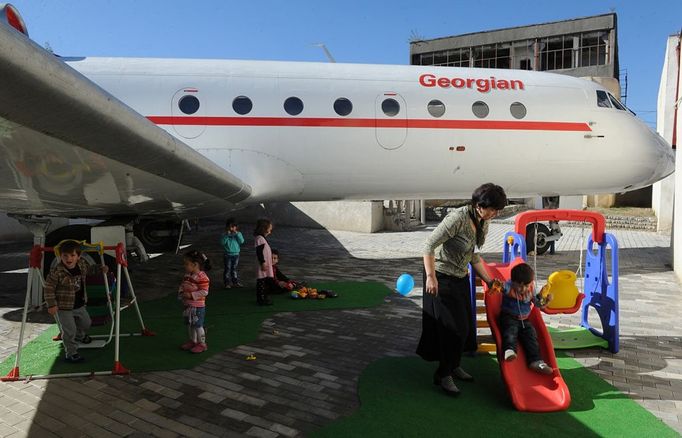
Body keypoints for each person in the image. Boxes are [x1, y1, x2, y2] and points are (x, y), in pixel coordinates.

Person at [416, 183, 507, 396]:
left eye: (498, 210)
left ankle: (454, 365)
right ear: (479, 205)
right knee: (453, 330)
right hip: (440, 278)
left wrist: (489, 280)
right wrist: (430, 277)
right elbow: (428, 245)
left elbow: (472, 255)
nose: (495, 213)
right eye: (493, 208)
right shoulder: (457, 218)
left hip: (460, 277)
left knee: (466, 329)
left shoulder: (482, 220)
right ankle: (443, 374)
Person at [44, 239, 108, 363]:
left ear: (78, 256)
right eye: (65, 256)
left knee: (86, 323)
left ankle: (80, 335)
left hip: (79, 304)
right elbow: (48, 288)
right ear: (60, 256)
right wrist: (51, 304)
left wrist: (101, 269)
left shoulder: (82, 265)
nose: (69, 258)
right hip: (64, 307)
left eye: (72, 255)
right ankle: (71, 353)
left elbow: (90, 269)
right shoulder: (57, 271)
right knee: (69, 331)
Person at [500, 263, 554, 375]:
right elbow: (500, 287)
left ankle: (535, 361)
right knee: (510, 331)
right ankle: (509, 350)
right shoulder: (508, 286)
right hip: (509, 316)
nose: (522, 289)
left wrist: (546, 301)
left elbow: (538, 304)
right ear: (512, 281)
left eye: (526, 285)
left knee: (531, 335)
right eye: (519, 285)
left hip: (524, 320)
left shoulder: (531, 288)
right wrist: (495, 284)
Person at [178, 250, 211, 353]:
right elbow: (182, 285)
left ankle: (202, 344)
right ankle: (193, 341)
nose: (184, 266)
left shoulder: (202, 277)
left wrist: (191, 295)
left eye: (186, 264)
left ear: (195, 264)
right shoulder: (187, 275)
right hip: (187, 305)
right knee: (190, 324)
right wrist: (181, 293)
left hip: (197, 306)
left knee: (198, 325)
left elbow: (205, 292)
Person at [254, 219, 275, 305]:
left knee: (266, 281)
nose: (270, 231)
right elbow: (259, 252)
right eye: (269, 229)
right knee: (262, 282)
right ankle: (261, 299)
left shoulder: (262, 238)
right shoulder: (260, 239)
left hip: (265, 263)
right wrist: (262, 262)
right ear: (264, 229)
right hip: (263, 264)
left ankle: (265, 297)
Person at [220, 218, 245, 289]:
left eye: (233, 227)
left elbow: (242, 241)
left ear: (236, 227)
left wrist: (237, 234)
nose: (231, 228)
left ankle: (235, 282)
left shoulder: (238, 233)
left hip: (236, 254)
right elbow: (222, 243)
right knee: (227, 269)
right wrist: (227, 236)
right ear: (227, 227)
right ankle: (227, 283)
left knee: (234, 269)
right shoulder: (224, 234)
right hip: (227, 255)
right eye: (230, 227)